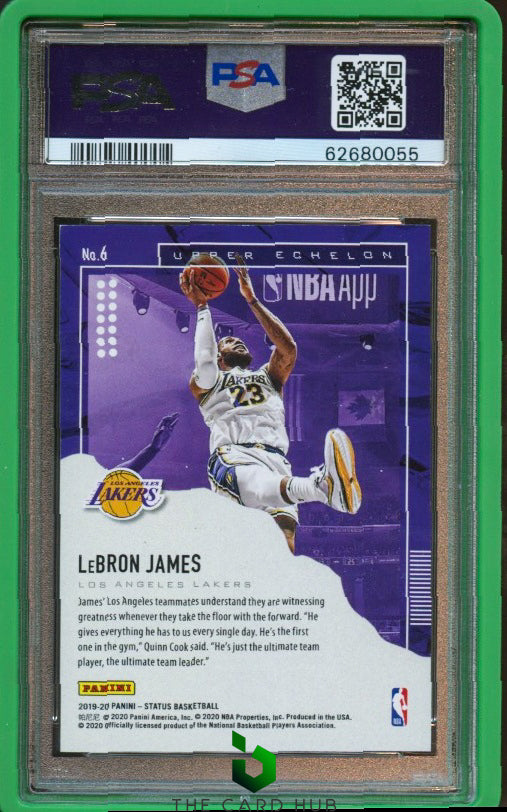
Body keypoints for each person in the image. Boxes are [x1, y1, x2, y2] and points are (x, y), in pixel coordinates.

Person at [180, 255, 361, 553]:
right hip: (234, 456)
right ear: (220, 355)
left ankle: (321, 489)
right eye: (228, 341)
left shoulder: (268, 377)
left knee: (284, 547)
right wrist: (202, 307)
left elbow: (288, 348)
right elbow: (205, 360)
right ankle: (321, 488)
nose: (237, 341)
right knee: (262, 486)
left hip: (276, 460)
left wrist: (251, 300)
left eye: (238, 340)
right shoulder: (208, 382)